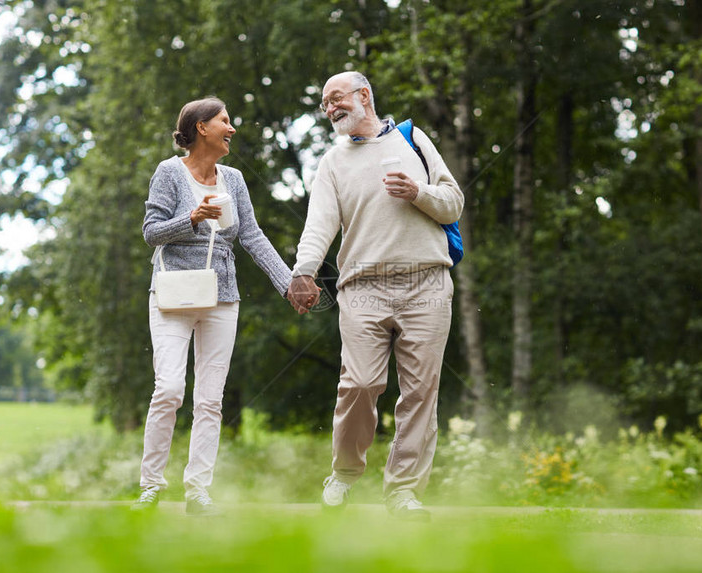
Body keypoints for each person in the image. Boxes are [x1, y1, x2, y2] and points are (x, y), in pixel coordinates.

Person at [287, 72, 464, 520]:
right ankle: (344, 475)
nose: (329, 109)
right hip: (363, 287)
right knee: (360, 383)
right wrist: (303, 272)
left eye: (335, 98)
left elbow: (452, 202)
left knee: (421, 391)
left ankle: (403, 491)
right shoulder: (331, 162)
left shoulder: (413, 139)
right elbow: (319, 225)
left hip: (427, 281)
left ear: (363, 96)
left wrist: (418, 192)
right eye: (324, 103)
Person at [134, 97, 293, 515]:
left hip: (222, 297)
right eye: (225, 121)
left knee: (210, 399)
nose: (232, 128)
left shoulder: (234, 179)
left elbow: (253, 237)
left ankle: (197, 489)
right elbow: (151, 232)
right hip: (173, 293)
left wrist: (288, 283)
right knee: (169, 389)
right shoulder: (169, 172)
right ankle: (151, 484)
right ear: (202, 128)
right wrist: (192, 217)